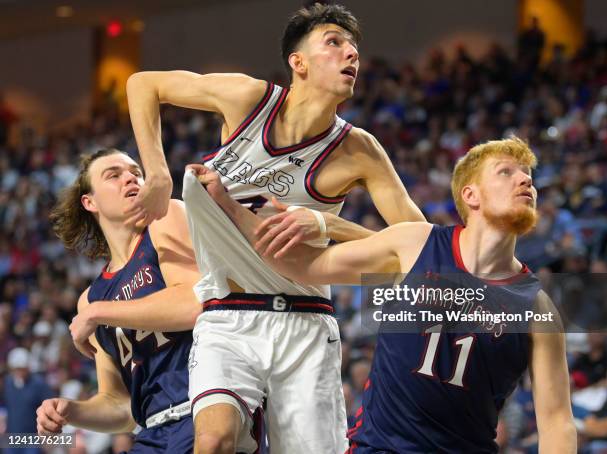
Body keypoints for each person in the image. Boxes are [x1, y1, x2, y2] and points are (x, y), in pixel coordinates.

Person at [126, 3, 424, 453]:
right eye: (335, 43)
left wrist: (328, 224)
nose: (352, 55)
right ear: (297, 63)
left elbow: (420, 248)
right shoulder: (247, 99)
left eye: (354, 49)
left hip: (305, 323)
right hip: (226, 316)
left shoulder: (358, 150)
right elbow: (142, 83)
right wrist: (157, 172)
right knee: (213, 441)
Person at [197, 136, 577, 452]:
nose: (525, 181)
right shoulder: (415, 242)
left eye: (528, 175)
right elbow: (303, 266)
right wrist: (229, 206)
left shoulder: (536, 308)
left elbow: (557, 420)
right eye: (507, 172)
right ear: (471, 195)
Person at [35, 149, 203, 453]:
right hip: (152, 430)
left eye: (135, 172)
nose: (131, 177)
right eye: (114, 174)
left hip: (203, 409)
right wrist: (71, 411)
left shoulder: (165, 219)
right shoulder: (91, 299)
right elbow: (121, 406)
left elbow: (194, 302)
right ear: (90, 202)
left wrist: (101, 313)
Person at [4, 347, 54, 454]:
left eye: (22, 368)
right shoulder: (8, 383)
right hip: (11, 437)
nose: (19, 372)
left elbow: (50, 408)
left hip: (32, 438)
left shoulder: (38, 384)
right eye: (16, 369)